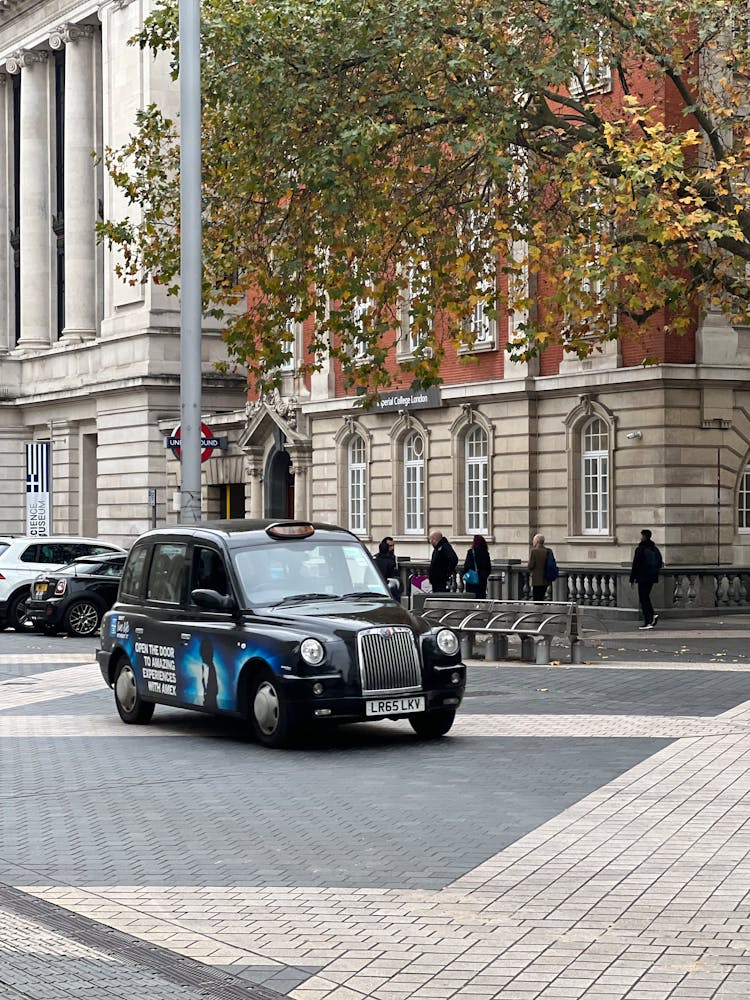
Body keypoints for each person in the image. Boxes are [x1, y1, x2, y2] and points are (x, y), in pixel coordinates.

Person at [630, 528, 664, 629]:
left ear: (644, 537)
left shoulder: (640, 549)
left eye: (641, 536)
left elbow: (635, 565)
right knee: (646, 597)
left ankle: (648, 621)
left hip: (642, 577)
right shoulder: (655, 549)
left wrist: (632, 579)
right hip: (652, 577)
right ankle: (652, 616)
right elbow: (660, 562)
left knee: (643, 598)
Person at [463, 534, 492, 599]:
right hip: (482, 580)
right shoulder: (485, 553)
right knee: (481, 597)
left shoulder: (471, 552)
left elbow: (466, 567)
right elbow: (488, 568)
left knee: (471, 598)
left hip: (472, 579)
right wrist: (483, 575)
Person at [528, 533, 554, 601]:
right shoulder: (549, 551)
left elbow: (530, 566)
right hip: (546, 579)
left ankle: (538, 611)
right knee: (542, 597)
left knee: (536, 598)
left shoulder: (534, 551)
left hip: (536, 580)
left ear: (536, 541)